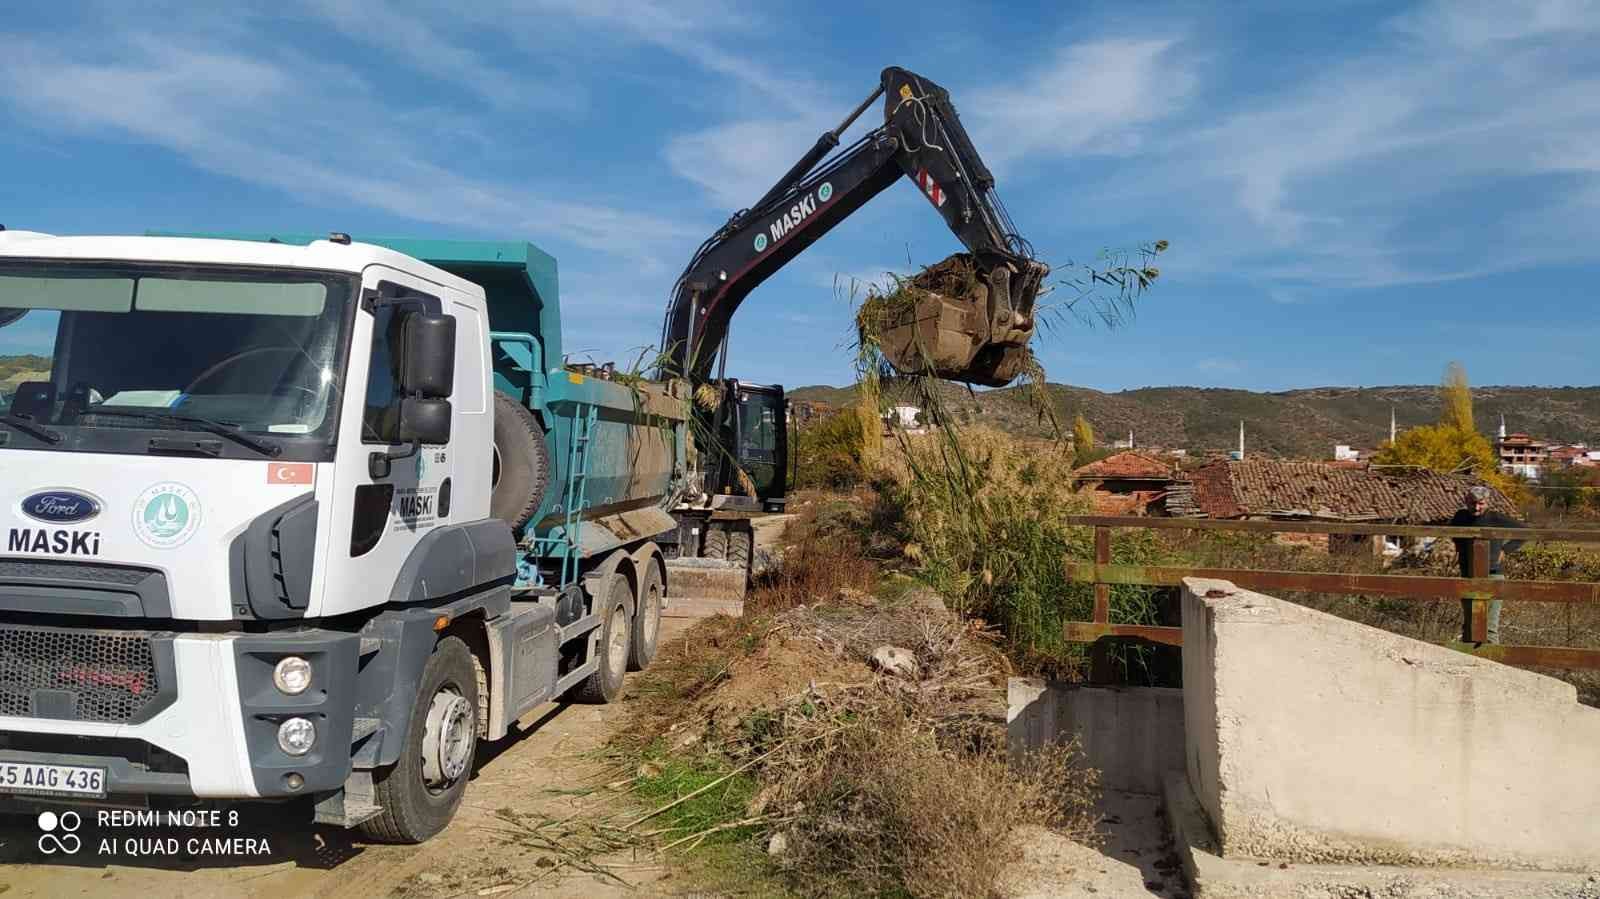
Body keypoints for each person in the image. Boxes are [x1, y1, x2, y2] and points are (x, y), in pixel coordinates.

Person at [1449, 485, 1524, 645]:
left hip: (1493, 573)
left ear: (1487, 502)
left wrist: (1505, 550)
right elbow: (1453, 534)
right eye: (1472, 503)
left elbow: (1523, 532)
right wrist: (1460, 550)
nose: (1476, 507)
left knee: (1489, 625)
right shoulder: (1460, 517)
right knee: (1470, 621)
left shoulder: (1497, 519)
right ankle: (1467, 656)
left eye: (1481, 503)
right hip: (1467, 573)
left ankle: (1491, 657)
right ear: (1466, 501)